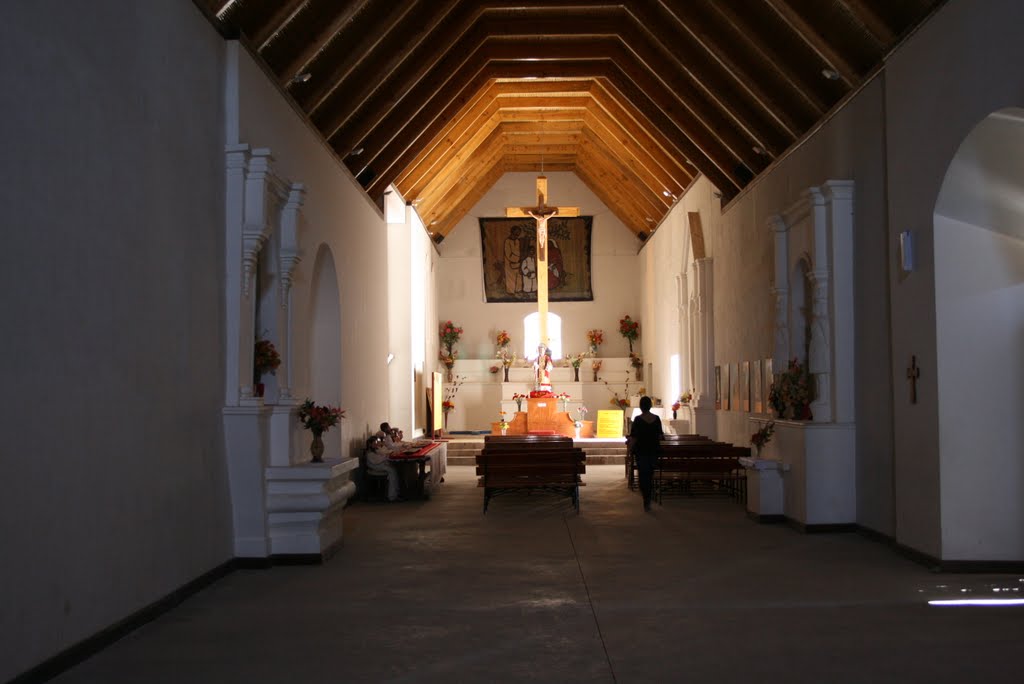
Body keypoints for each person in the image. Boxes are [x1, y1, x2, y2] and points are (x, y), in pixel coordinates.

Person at [628, 396, 663, 512]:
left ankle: (646, 499)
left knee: (643, 476)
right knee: (650, 474)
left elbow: (634, 437)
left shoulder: (638, 420)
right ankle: (648, 497)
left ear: (641, 407)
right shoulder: (657, 419)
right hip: (653, 451)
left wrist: (630, 450)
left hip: (641, 451)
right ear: (650, 406)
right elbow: (660, 436)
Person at [365, 433, 400, 502]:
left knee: (393, 470)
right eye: (375, 442)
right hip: (376, 468)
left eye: (377, 442)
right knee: (392, 471)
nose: (377, 443)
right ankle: (392, 496)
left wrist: (387, 454)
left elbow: (382, 454)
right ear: (370, 444)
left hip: (381, 466)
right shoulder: (369, 453)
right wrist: (387, 456)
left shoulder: (376, 450)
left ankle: (395, 493)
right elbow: (377, 460)